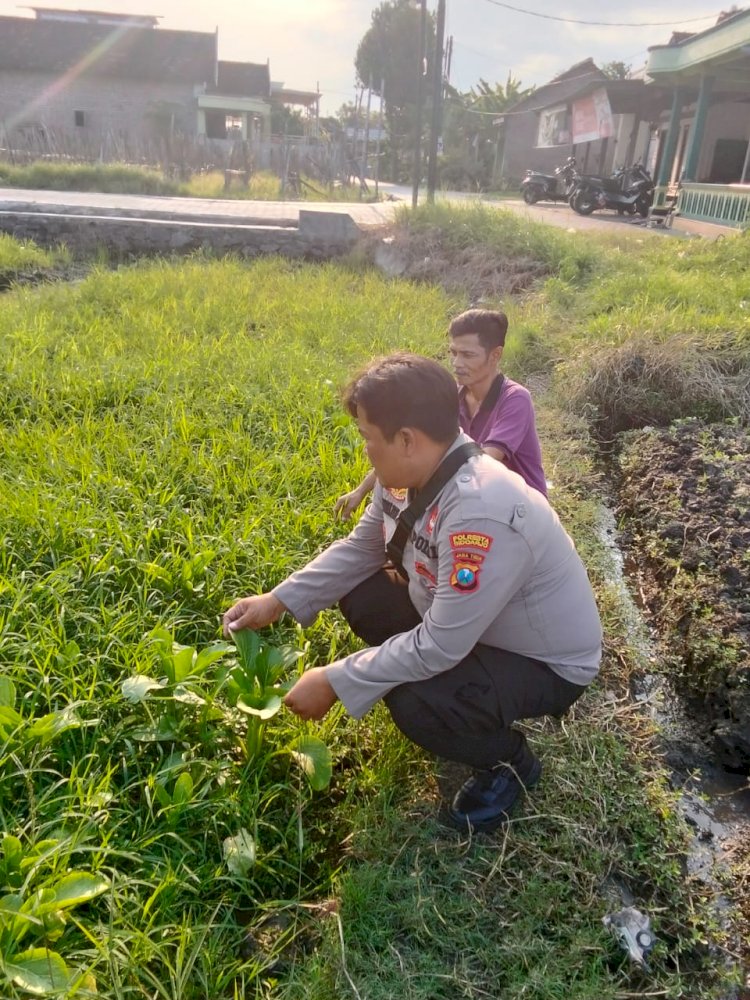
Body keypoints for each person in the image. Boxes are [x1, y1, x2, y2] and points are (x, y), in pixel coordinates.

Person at [223, 354, 602, 833]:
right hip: (477, 624)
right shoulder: (407, 475)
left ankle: (508, 765)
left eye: (367, 439)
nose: (364, 452)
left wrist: (335, 679)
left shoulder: (479, 511)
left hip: (541, 660)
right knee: (361, 593)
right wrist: (276, 600)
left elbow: (442, 645)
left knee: (413, 699)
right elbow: (361, 549)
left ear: (406, 440)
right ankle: (458, 703)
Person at [334, 309, 546, 520]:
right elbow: (408, 447)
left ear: (495, 355)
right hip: (475, 494)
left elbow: (484, 464)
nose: (457, 363)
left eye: (468, 355)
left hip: (519, 508)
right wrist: (361, 491)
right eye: (453, 353)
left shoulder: (515, 399)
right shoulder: (452, 395)